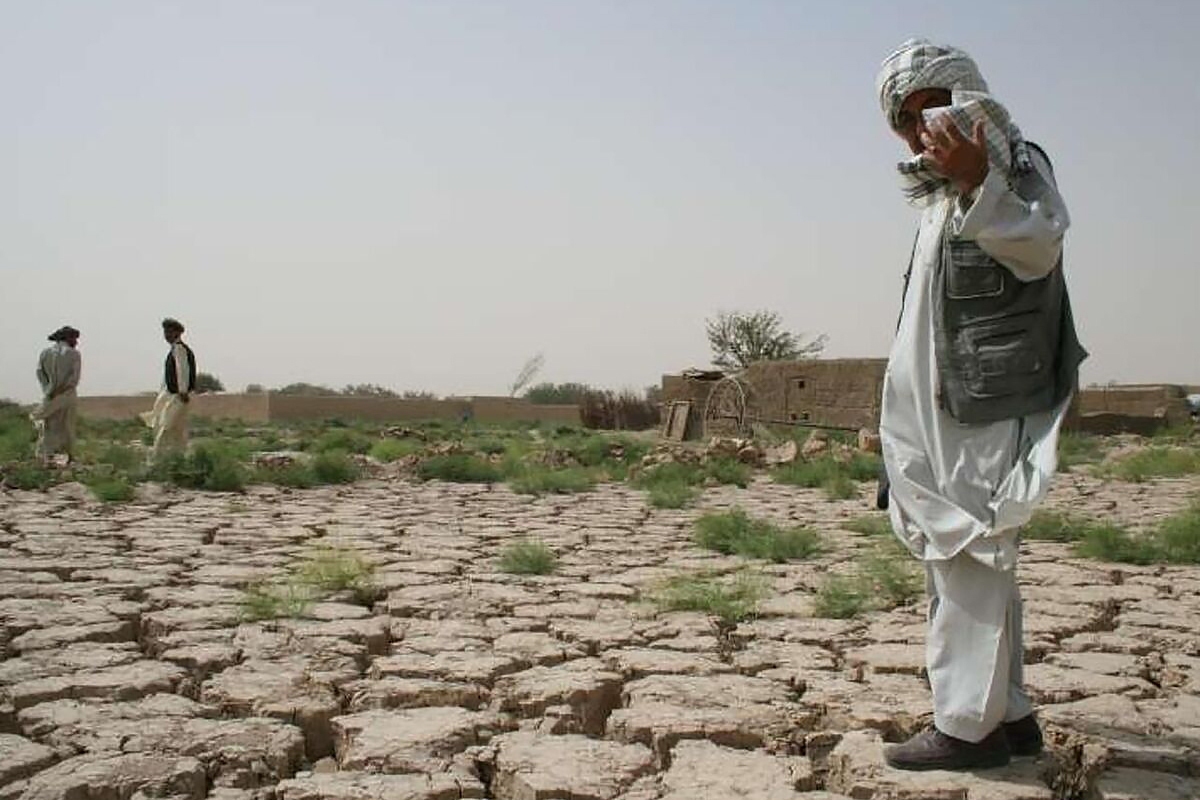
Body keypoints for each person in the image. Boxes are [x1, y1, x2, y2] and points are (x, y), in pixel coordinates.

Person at [874, 40, 1087, 771]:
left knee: (970, 548)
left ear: (961, 97)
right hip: (938, 412)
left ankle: (967, 726)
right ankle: (1012, 714)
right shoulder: (938, 194)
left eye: (926, 106)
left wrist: (977, 184)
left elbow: (1039, 247)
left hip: (981, 409)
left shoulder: (1015, 166)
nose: (914, 127)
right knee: (967, 555)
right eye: (901, 117)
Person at [141, 318, 196, 457]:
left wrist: (182, 391)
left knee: (166, 428)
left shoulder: (179, 348)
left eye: (169, 332)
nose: (166, 335)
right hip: (174, 395)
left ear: (177, 333)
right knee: (177, 429)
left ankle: (157, 458)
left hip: (178, 397)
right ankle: (180, 458)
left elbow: (182, 369)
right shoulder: (174, 349)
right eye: (165, 332)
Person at [30, 326, 82, 465]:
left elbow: (40, 373)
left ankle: (48, 456)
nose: (76, 342)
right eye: (74, 338)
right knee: (68, 424)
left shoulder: (45, 353)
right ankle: (70, 456)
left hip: (49, 395)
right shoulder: (73, 354)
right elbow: (74, 378)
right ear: (67, 338)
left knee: (49, 424)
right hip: (66, 394)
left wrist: (48, 389)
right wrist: (61, 389)